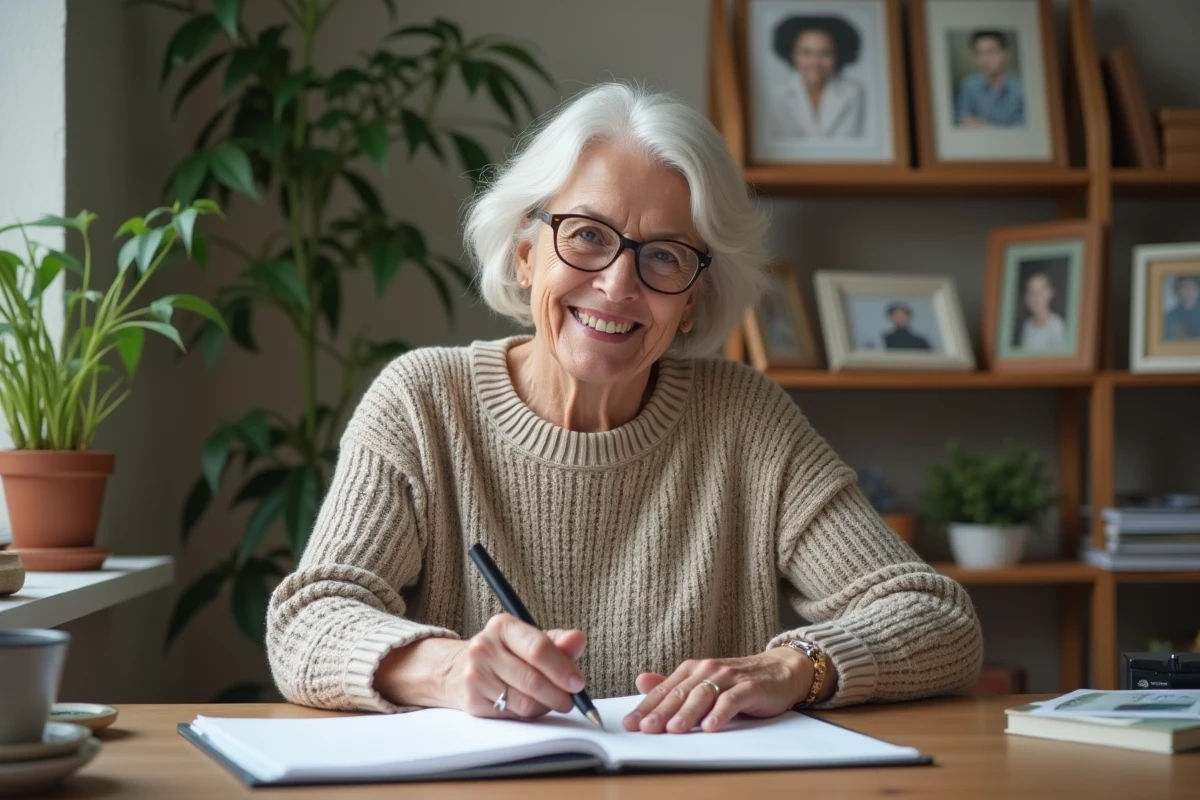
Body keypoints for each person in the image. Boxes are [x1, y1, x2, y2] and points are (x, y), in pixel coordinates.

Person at [267, 83, 982, 735]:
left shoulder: (746, 419)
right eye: (587, 235)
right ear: (526, 252)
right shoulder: (423, 402)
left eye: (664, 256)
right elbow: (306, 622)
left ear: (694, 298)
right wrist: (447, 668)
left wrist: (795, 666)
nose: (617, 285)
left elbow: (939, 620)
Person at [768, 16, 865, 140]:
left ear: (838, 55)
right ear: (792, 54)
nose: (815, 62)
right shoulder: (776, 95)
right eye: (807, 53)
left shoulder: (853, 93)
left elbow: (852, 141)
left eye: (825, 53)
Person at [955, 30, 1025, 127]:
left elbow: (1025, 127)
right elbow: (962, 122)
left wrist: (987, 126)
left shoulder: (1021, 88)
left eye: (991, 52)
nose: (985, 59)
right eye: (979, 53)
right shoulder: (969, 86)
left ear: (1006, 54)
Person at [1019, 272, 1067, 350]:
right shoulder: (1027, 325)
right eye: (1031, 292)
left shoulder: (1057, 325)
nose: (1036, 297)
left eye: (1040, 291)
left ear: (1050, 293)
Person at [1164, 274, 1200, 340]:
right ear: (1177, 291)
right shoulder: (1170, 317)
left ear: (1197, 290)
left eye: (1191, 287)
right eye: (1184, 287)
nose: (1188, 292)